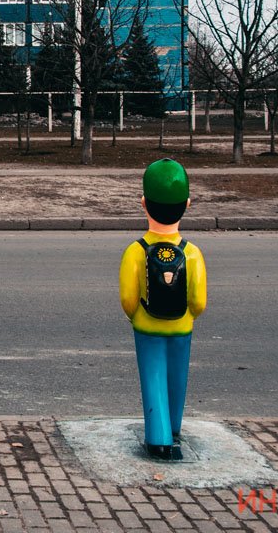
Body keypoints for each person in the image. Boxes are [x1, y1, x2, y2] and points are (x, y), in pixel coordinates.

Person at [118, 158, 207, 461]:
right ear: (187, 204)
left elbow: (128, 300)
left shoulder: (135, 251)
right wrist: (188, 315)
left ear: (143, 203)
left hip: (147, 326)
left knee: (153, 374)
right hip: (182, 327)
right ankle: (176, 425)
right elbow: (199, 302)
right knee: (178, 375)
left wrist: (136, 316)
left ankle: (159, 437)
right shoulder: (192, 253)